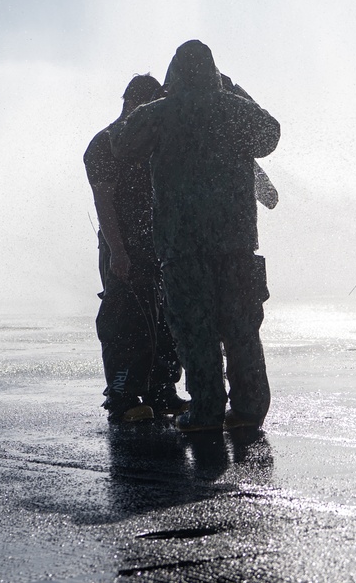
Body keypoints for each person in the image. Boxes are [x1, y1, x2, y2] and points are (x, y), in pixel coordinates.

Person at [111, 40, 280, 432]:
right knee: (241, 328)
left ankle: (206, 411)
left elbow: (121, 144)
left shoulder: (161, 113)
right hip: (237, 243)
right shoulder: (236, 111)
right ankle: (250, 408)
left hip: (182, 246)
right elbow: (270, 134)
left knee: (194, 329)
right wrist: (235, 92)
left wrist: (155, 102)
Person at [84, 75, 187, 423]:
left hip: (159, 245)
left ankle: (162, 391)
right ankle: (123, 397)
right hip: (123, 247)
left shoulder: (153, 143)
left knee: (165, 320)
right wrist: (118, 251)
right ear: (132, 103)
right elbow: (104, 201)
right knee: (124, 321)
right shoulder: (105, 144)